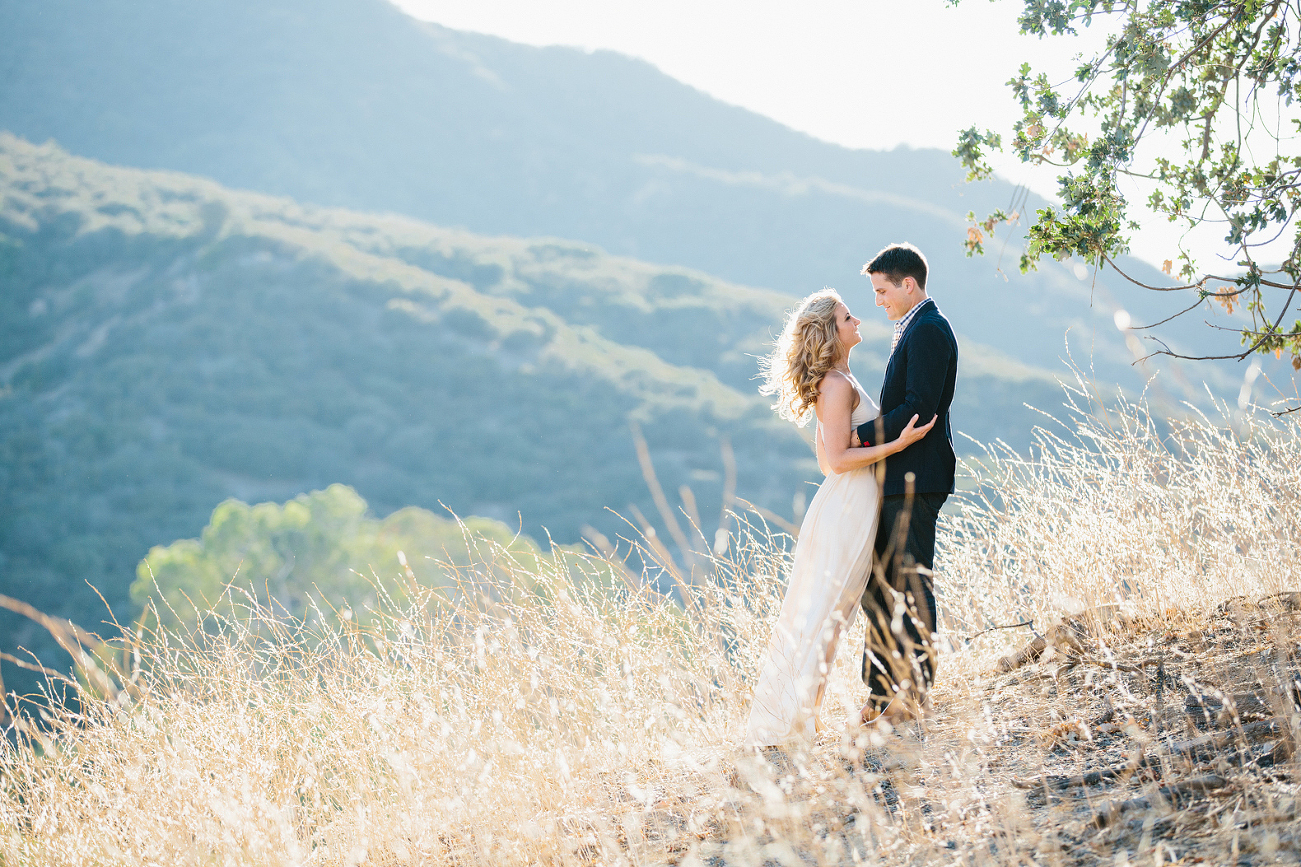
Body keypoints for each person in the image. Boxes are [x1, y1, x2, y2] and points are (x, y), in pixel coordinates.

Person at [745, 289, 934, 746]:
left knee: (836, 616)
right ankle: (792, 724)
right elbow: (837, 458)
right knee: (825, 616)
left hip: (853, 505)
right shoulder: (836, 384)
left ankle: (802, 721)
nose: (859, 322)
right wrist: (897, 444)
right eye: (849, 317)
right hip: (846, 510)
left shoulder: (843, 379)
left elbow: (828, 459)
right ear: (833, 331)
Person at [853, 243, 958, 727]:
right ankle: (878, 695)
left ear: (907, 284)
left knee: (911, 583)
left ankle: (914, 694)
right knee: (880, 586)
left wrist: (854, 438)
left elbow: (918, 407)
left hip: (917, 476)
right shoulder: (912, 328)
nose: (877, 301)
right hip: (897, 476)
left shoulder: (930, 330)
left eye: (881, 291)